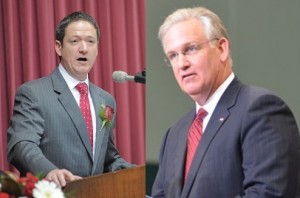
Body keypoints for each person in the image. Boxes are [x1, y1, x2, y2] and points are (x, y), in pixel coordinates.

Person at [151, 7, 300, 197]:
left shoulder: (260, 110)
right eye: (173, 55)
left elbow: (267, 193)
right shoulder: (174, 134)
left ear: (222, 49)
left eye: (191, 49)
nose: (182, 64)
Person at [7, 11, 133, 187]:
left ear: (97, 49)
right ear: (58, 47)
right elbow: (21, 145)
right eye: (75, 41)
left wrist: (137, 173)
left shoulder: (106, 100)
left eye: (90, 41)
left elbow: (108, 159)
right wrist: (50, 171)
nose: (84, 48)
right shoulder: (33, 93)